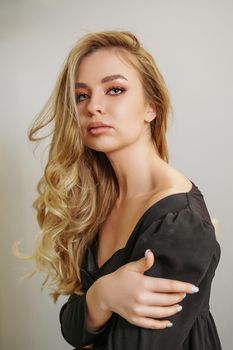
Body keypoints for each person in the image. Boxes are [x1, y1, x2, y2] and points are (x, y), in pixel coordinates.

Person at [16, 30, 222, 349]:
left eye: (114, 89)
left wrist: (93, 308)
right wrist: (101, 295)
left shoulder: (180, 224)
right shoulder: (98, 200)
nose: (93, 106)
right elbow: (71, 326)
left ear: (151, 107)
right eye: (81, 95)